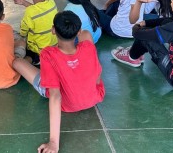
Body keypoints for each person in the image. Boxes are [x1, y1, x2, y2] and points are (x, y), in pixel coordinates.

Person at [13, 11, 105, 153]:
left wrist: (54, 142)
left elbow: (55, 96)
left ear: (53, 30)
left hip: (68, 104)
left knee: (17, 62)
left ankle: (28, 57)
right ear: (78, 31)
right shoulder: (88, 46)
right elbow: (97, 75)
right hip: (94, 97)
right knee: (87, 35)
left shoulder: (48, 53)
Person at [14, 0, 58, 65]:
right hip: (55, 46)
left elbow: (23, 32)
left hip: (38, 50)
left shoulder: (29, 12)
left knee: (15, 35)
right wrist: (23, 2)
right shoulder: (52, 4)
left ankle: (34, 59)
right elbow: (38, 10)